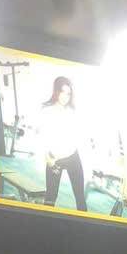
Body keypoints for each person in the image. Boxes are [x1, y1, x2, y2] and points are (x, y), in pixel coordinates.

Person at [39, 77, 88, 212]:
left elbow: (76, 137)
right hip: (55, 160)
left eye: (68, 93)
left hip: (72, 157)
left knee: (80, 198)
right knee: (50, 199)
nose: (65, 96)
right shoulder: (47, 110)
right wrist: (49, 159)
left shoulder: (72, 111)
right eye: (62, 92)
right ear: (56, 91)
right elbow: (43, 138)